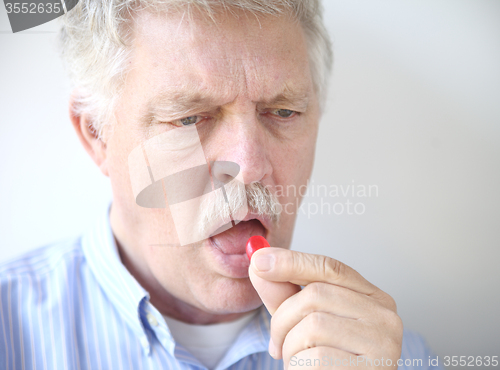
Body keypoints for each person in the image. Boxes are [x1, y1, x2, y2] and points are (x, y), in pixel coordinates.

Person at [0, 1, 443, 369]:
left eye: (283, 112)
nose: (249, 167)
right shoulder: (10, 332)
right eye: (189, 118)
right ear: (96, 134)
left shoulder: (392, 357)